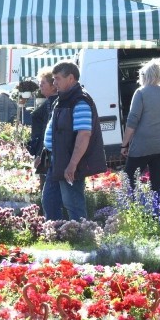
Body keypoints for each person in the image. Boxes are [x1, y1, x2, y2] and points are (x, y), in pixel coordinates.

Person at [40, 61, 107, 221]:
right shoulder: (62, 99)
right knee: (49, 200)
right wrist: (42, 155)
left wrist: (72, 164)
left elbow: (84, 135)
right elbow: (55, 133)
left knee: (73, 203)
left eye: (57, 78)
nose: (54, 83)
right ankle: (56, 235)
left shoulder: (80, 100)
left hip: (69, 161)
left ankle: (82, 237)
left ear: (71, 78)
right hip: (56, 160)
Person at [120, 59, 160, 192]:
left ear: (145, 76)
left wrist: (124, 144)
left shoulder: (140, 93)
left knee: (128, 178)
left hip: (143, 145)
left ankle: (130, 208)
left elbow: (132, 120)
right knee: (157, 184)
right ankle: (157, 211)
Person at [28, 68, 58, 158]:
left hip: (46, 153)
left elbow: (47, 128)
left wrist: (40, 154)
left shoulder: (53, 103)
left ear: (53, 86)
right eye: (40, 82)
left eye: (43, 83)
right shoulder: (49, 101)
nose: (40, 85)